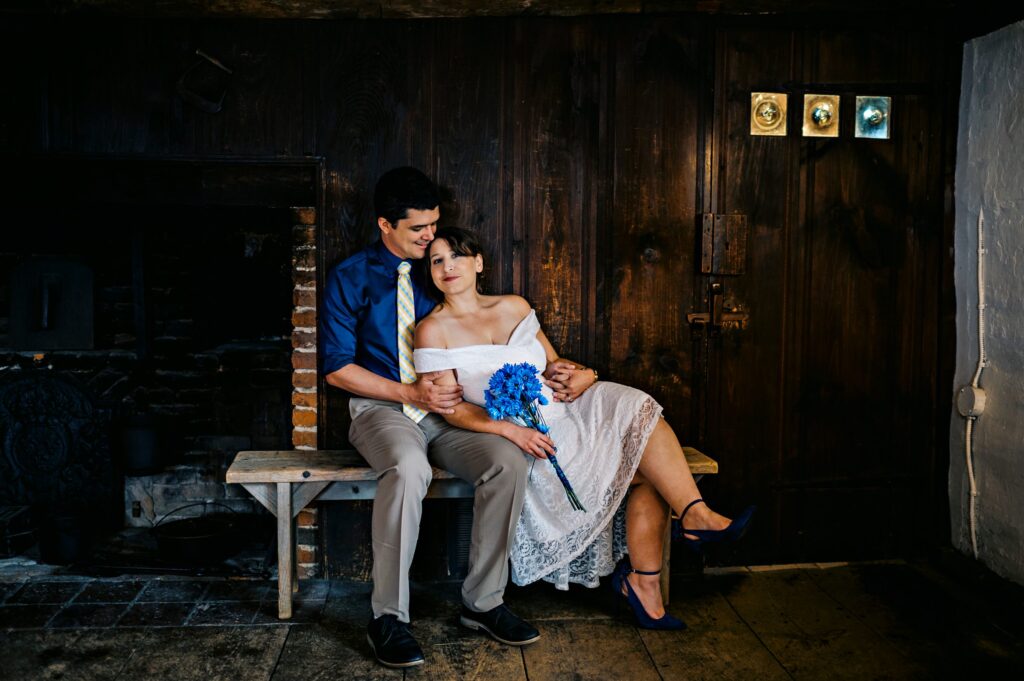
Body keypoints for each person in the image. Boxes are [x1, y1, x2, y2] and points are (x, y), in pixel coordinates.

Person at [413, 227, 754, 630]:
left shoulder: (515, 307)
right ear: (431, 272)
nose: (448, 266)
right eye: (437, 260)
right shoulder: (432, 329)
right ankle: (646, 583)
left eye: (457, 256)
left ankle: (695, 515)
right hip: (523, 431)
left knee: (640, 410)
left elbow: (555, 366)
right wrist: (511, 432)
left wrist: (587, 376)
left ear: (479, 263)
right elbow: (450, 410)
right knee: (644, 472)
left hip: (566, 408)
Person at [321, 170, 540, 669]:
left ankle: (483, 603)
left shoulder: (438, 268)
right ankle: (388, 618)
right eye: (419, 229)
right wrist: (409, 391)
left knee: (507, 459)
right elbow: (336, 369)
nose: (430, 238)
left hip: (450, 414)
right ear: (384, 224)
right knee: (408, 466)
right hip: (382, 409)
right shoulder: (350, 276)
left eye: (435, 225)